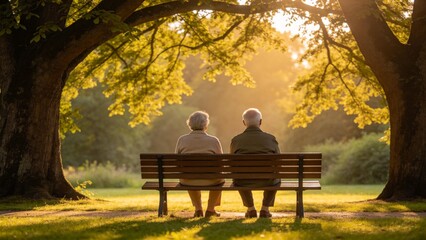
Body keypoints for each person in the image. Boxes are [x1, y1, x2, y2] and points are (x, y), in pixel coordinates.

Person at [230, 108, 280, 218]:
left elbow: (232, 164)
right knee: (276, 178)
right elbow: (278, 162)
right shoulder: (270, 139)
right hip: (268, 180)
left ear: (244, 123)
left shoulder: (236, 140)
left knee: (238, 178)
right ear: (260, 122)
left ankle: (251, 209)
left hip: (243, 181)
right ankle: (265, 209)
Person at [175, 111, 224, 218]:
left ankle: (198, 209)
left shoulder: (182, 140)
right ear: (206, 125)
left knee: (189, 175)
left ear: (190, 124)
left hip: (188, 180)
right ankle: (210, 209)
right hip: (211, 180)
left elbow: (177, 163)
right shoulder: (213, 140)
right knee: (220, 178)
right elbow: (221, 163)